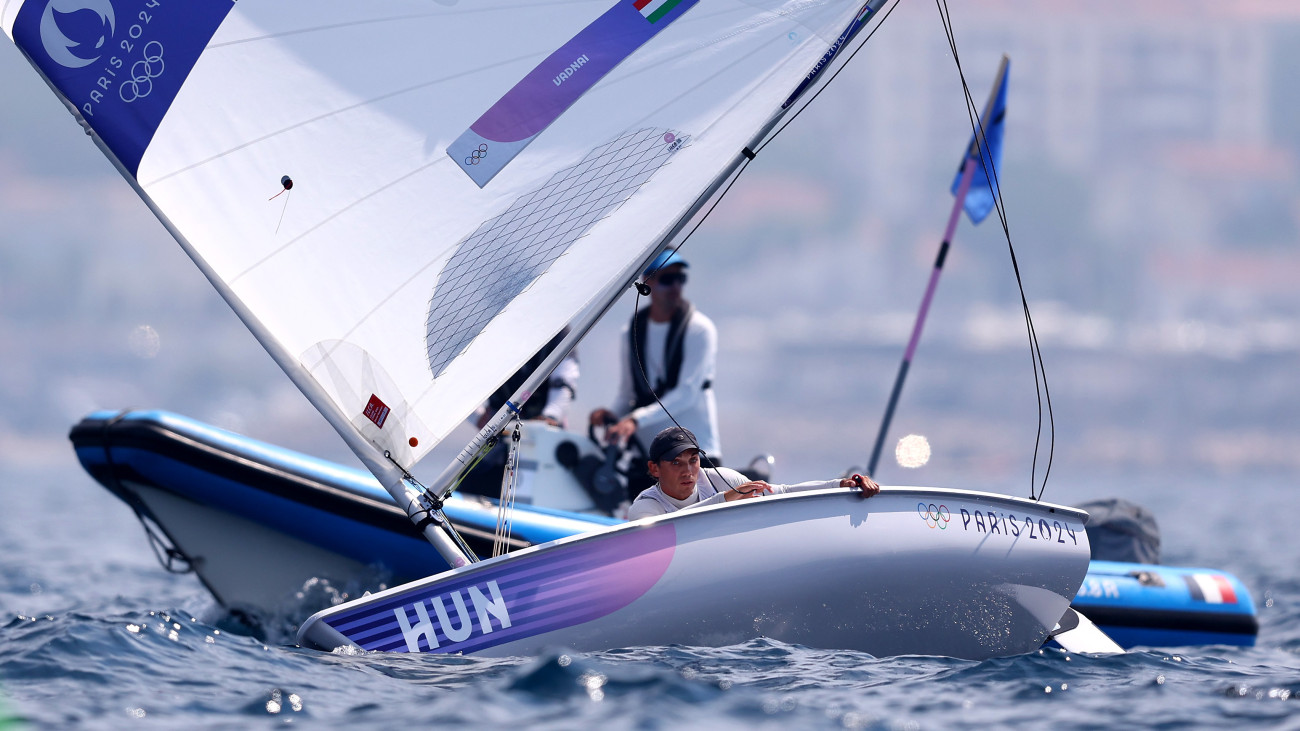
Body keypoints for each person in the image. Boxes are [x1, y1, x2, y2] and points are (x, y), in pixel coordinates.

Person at [590, 250, 722, 474]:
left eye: (680, 279)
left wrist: (634, 420)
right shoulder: (629, 334)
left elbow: (686, 393)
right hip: (650, 459)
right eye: (667, 279)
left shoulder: (700, 330)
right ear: (647, 282)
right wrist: (612, 416)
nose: (675, 287)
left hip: (695, 456)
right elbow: (627, 394)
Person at [627, 427, 880, 521]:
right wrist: (723, 500)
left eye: (693, 461)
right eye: (675, 463)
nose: (688, 471)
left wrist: (839, 485)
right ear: (654, 469)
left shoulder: (718, 479)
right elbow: (668, 532)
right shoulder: (644, 508)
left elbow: (782, 492)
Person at [458, 328, 579, 498]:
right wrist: (479, 417)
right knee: (469, 486)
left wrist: (550, 417)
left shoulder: (559, 332)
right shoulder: (494, 327)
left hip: (540, 443)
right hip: (497, 442)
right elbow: (463, 380)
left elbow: (564, 383)